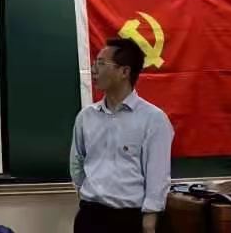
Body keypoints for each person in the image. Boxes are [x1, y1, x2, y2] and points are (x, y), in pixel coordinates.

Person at [70, 37, 174, 233]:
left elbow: (157, 175)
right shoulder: (86, 117)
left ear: (124, 72)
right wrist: (88, 195)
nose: (94, 69)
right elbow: (77, 164)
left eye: (101, 63)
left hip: (130, 218)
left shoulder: (153, 119)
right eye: (95, 63)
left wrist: (150, 218)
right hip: (90, 216)